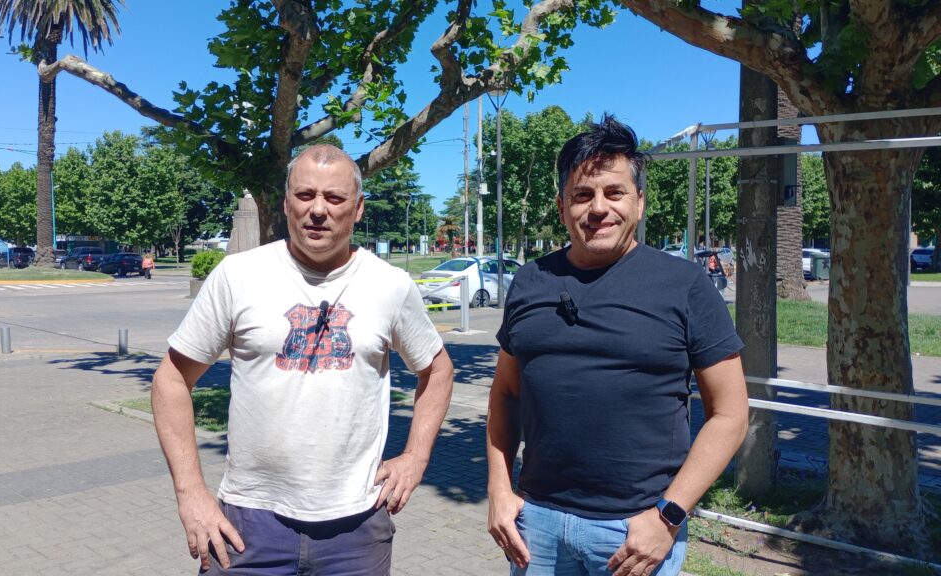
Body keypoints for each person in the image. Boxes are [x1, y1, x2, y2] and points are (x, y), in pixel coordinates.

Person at [152, 144, 454, 575]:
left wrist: (415, 458)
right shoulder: (238, 275)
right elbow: (171, 380)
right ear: (286, 202)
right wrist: (190, 494)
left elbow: (438, 370)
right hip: (248, 522)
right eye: (305, 194)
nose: (318, 210)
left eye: (334, 198)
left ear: (358, 208)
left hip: (356, 526)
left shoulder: (391, 285)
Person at [486, 115, 749, 576]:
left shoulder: (684, 285)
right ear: (562, 206)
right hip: (536, 524)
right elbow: (506, 392)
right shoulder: (530, 281)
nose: (598, 208)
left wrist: (668, 516)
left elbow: (730, 413)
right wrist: (499, 490)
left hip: (635, 531)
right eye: (582, 195)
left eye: (614, 192)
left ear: (639, 202)